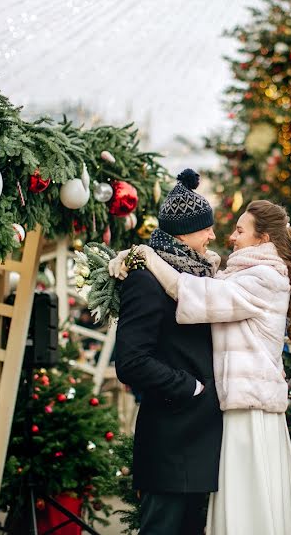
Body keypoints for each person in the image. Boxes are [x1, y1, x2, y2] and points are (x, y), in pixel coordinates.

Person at [112, 199, 291, 535]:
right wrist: (128, 258)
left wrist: (146, 256)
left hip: (250, 409)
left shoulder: (264, 277)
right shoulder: (245, 274)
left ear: (263, 240)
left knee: (249, 505)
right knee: (236, 504)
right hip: (232, 410)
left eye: (240, 230)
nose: (229, 236)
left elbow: (196, 294)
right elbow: (214, 285)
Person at [113, 169, 223, 535]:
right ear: (184, 232)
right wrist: (189, 387)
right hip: (172, 438)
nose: (212, 235)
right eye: (206, 228)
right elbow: (131, 360)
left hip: (199, 437)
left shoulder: (198, 275)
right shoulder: (145, 279)